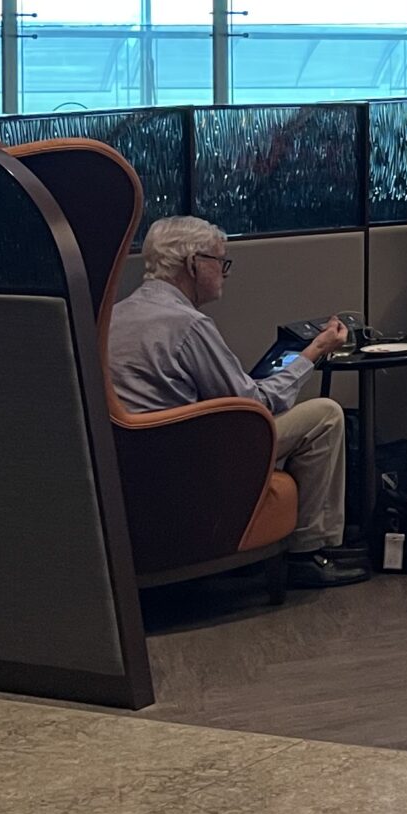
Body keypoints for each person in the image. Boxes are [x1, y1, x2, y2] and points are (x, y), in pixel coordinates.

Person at [106, 215, 361, 589]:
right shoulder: (188, 325)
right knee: (325, 416)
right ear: (194, 264)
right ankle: (307, 553)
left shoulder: (114, 315)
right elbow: (252, 404)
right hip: (189, 459)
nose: (225, 273)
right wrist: (314, 352)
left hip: (136, 462)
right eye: (220, 262)